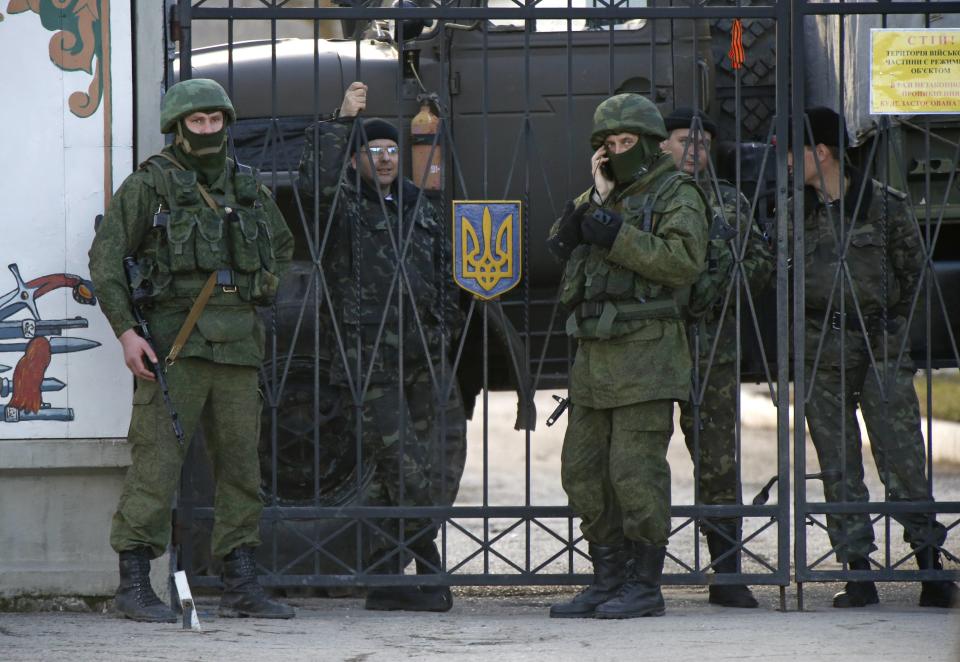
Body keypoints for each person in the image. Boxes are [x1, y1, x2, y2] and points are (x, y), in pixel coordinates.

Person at [89, 78, 295, 622]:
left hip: (238, 348)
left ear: (226, 122)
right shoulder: (151, 185)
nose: (207, 130)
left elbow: (281, 245)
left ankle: (241, 582)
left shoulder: (247, 185)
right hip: (173, 346)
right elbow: (106, 260)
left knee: (241, 469)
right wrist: (128, 332)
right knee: (157, 464)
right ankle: (133, 584)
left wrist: (257, 288)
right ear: (177, 128)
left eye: (214, 120)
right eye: (196, 122)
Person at [297, 82, 465, 612]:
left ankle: (382, 578)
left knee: (439, 461)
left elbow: (444, 276)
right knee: (400, 463)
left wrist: (446, 326)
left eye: (393, 150)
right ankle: (428, 567)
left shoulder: (422, 207)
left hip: (427, 358)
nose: (387, 158)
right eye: (373, 151)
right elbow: (315, 185)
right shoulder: (341, 211)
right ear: (355, 162)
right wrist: (342, 121)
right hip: (371, 359)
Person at [546, 93, 709, 619]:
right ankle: (607, 578)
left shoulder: (676, 193)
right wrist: (594, 201)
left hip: (647, 354)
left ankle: (645, 586)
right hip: (594, 358)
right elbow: (559, 244)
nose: (617, 151)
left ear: (652, 141)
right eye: (608, 144)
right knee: (582, 471)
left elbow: (683, 261)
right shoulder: (603, 193)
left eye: (626, 142)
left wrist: (619, 234)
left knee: (634, 474)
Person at [788, 106, 958, 609]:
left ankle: (930, 566)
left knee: (901, 456)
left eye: (795, 154)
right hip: (821, 347)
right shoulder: (792, 211)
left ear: (821, 151)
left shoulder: (885, 206)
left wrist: (887, 329)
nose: (789, 167)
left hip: (878, 345)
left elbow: (911, 276)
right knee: (838, 463)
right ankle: (857, 570)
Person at [661, 108, 774, 608]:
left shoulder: (729, 202)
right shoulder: (645, 199)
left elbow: (761, 263)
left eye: (702, 143)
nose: (693, 151)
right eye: (685, 140)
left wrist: (711, 286)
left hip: (713, 354)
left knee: (718, 462)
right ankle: (633, 566)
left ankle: (726, 570)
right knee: (638, 461)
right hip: (652, 347)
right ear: (662, 144)